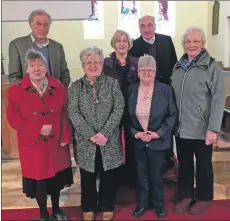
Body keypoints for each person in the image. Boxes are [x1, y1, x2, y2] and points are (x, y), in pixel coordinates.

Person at [6, 50, 73, 221]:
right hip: (33, 144)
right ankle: (43, 213)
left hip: (56, 142)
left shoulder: (59, 88)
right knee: (39, 182)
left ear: (46, 67)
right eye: (32, 66)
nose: (37, 69)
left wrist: (66, 135)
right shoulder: (15, 91)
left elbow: (65, 113)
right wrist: (36, 130)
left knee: (57, 179)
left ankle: (57, 209)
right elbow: (13, 119)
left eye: (40, 65)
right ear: (26, 69)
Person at [171, 27, 225, 215]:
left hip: (202, 128)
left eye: (196, 41)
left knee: (203, 164)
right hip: (181, 128)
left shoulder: (210, 66)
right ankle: (186, 195)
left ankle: (203, 196)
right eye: (188, 41)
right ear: (183, 44)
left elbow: (219, 98)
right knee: (184, 163)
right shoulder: (178, 66)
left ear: (203, 43)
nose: (191, 45)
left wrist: (213, 128)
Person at [68, 46, 125, 221]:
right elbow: (73, 112)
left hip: (108, 139)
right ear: (83, 65)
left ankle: (107, 205)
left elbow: (119, 108)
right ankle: (89, 207)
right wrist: (90, 134)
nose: (93, 65)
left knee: (108, 175)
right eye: (89, 62)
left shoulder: (112, 83)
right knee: (87, 176)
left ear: (102, 63)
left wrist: (105, 133)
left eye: (97, 62)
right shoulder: (75, 87)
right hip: (87, 141)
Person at [128, 55, 177, 218]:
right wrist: (136, 134)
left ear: (155, 72)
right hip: (139, 140)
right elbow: (126, 118)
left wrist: (158, 133)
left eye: (150, 69)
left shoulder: (165, 90)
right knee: (141, 174)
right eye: (143, 69)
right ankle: (142, 203)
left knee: (156, 175)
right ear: (138, 72)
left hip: (157, 140)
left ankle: (159, 204)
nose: (147, 72)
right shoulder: (131, 89)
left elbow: (172, 115)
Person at [130, 15, 178, 172]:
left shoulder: (166, 40)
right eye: (143, 26)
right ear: (139, 28)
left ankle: (168, 157)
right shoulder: (134, 45)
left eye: (149, 25)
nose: (147, 28)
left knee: (165, 124)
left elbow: (174, 64)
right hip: (145, 89)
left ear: (155, 26)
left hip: (163, 91)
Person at [103, 30, 139, 187]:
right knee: (113, 143)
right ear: (114, 43)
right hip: (112, 109)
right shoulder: (105, 63)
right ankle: (115, 177)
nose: (122, 43)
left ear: (129, 44)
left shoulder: (137, 62)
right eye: (119, 40)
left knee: (133, 142)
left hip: (133, 110)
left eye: (125, 40)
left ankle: (132, 177)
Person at [8, 9, 70, 88]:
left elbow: (65, 74)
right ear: (30, 25)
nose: (42, 28)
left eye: (45, 25)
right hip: (28, 97)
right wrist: (29, 93)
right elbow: (14, 77)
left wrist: (59, 89)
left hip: (54, 96)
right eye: (38, 24)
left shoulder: (57, 47)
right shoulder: (16, 45)